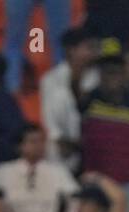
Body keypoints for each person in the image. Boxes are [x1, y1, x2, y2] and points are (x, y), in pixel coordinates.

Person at [79, 51, 129, 212]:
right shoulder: (89, 102)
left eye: (116, 73)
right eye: (107, 73)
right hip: (97, 183)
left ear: (124, 75)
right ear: (100, 76)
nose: (112, 78)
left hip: (128, 182)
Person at [39, 27, 98, 168]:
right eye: (88, 48)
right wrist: (60, 139)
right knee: (60, 97)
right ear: (72, 50)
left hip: (93, 144)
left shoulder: (97, 77)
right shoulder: (51, 79)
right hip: (62, 147)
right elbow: (49, 118)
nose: (92, 52)